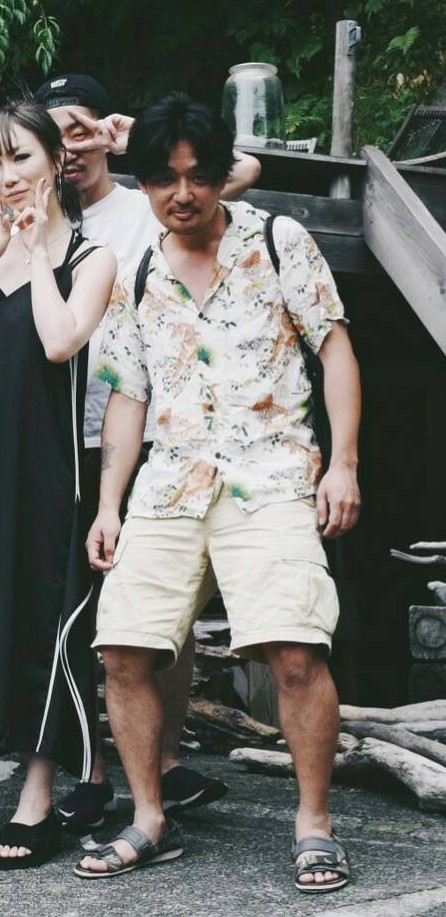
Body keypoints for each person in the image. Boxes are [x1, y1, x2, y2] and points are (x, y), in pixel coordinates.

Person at [76, 91, 361, 888]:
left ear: (219, 173)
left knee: (295, 651)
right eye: (164, 179)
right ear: (141, 183)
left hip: (271, 474)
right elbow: (128, 394)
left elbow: (334, 348)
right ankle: (150, 817)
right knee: (123, 649)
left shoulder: (277, 239)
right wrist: (109, 504)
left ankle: (314, 823)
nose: (183, 194)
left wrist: (343, 462)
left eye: (198, 175)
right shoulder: (137, 269)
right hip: (170, 484)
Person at [33, 73, 261, 830]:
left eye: (81, 128)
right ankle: (91, 769)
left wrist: (142, 145)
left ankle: (163, 760)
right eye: (54, 132)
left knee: (168, 605)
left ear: (105, 131)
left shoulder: (143, 202)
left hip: (146, 431)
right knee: (76, 607)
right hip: (62, 431)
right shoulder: (38, 213)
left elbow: (238, 170)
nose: (69, 146)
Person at [0, 100, 116, 868]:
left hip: (46, 466)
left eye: (19, 156)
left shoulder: (90, 257)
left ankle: (38, 795)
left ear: (54, 160)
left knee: (45, 617)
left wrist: (35, 247)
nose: (7, 175)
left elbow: (60, 340)